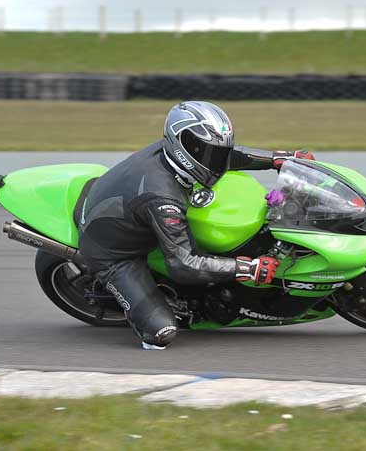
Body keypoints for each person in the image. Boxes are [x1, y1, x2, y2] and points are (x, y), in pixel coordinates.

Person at [77, 101, 314, 349]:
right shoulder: (163, 199)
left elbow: (231, 156)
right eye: (207, 152)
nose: (216, 160)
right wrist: (248, 267)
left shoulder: (173, 153)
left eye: (217, 152)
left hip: (125, 210)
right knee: (161, 334)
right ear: (183, 146)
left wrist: (282, 158)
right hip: (113, 254)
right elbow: (184, 264)